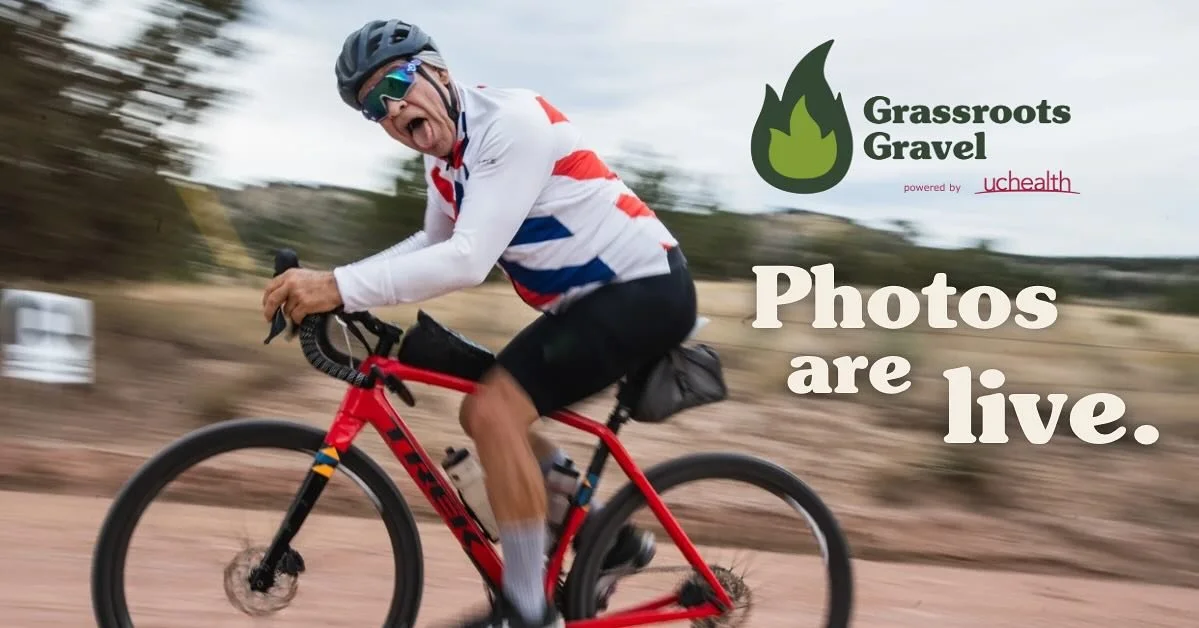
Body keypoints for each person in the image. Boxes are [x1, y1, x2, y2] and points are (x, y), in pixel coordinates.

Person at [261, 18, 698, 628]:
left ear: (439, 71)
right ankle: (607, 537)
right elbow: (431, 242)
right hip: (588, 304)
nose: (391, 114)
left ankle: (526, 609)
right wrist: (341, 288)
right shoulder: (444, 162)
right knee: (484, 414)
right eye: (374, 112)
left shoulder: (511, 125)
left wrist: (337, 285)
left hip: (645, 287)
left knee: (497, 412)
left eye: (396, 88)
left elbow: (467, 258)